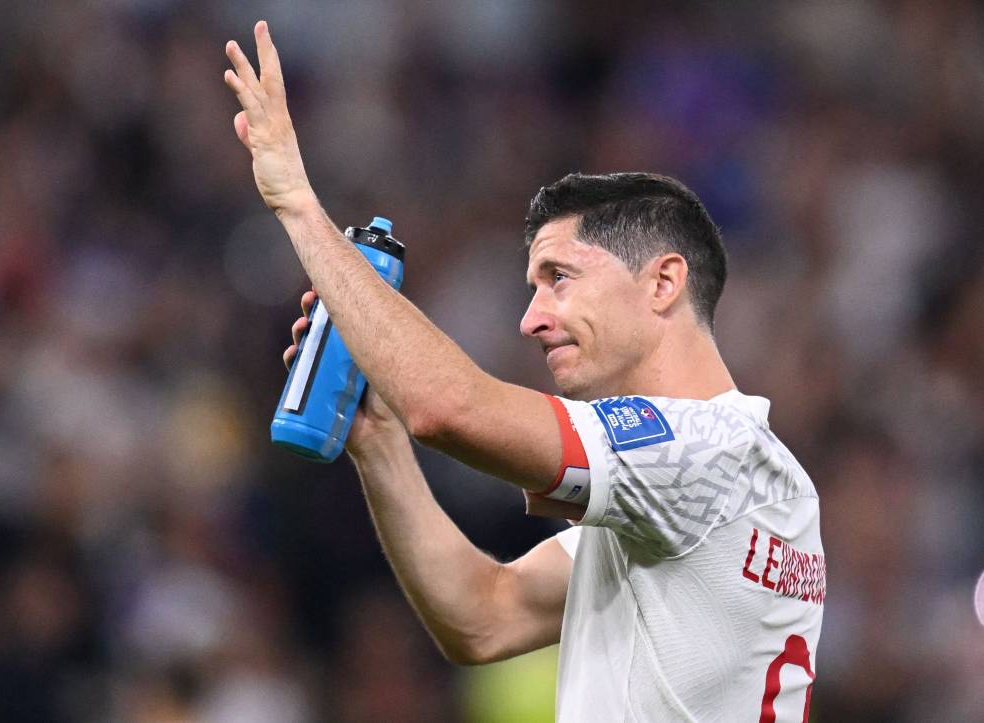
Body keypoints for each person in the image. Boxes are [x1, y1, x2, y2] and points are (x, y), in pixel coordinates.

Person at [224, 21, 825, 721]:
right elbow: (485, 616)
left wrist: (300, 207)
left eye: (560, 278)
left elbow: (449, 408)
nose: (531, 319)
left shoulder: (700, 453)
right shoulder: (718, 481)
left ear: (662, 284)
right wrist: (381, 439)